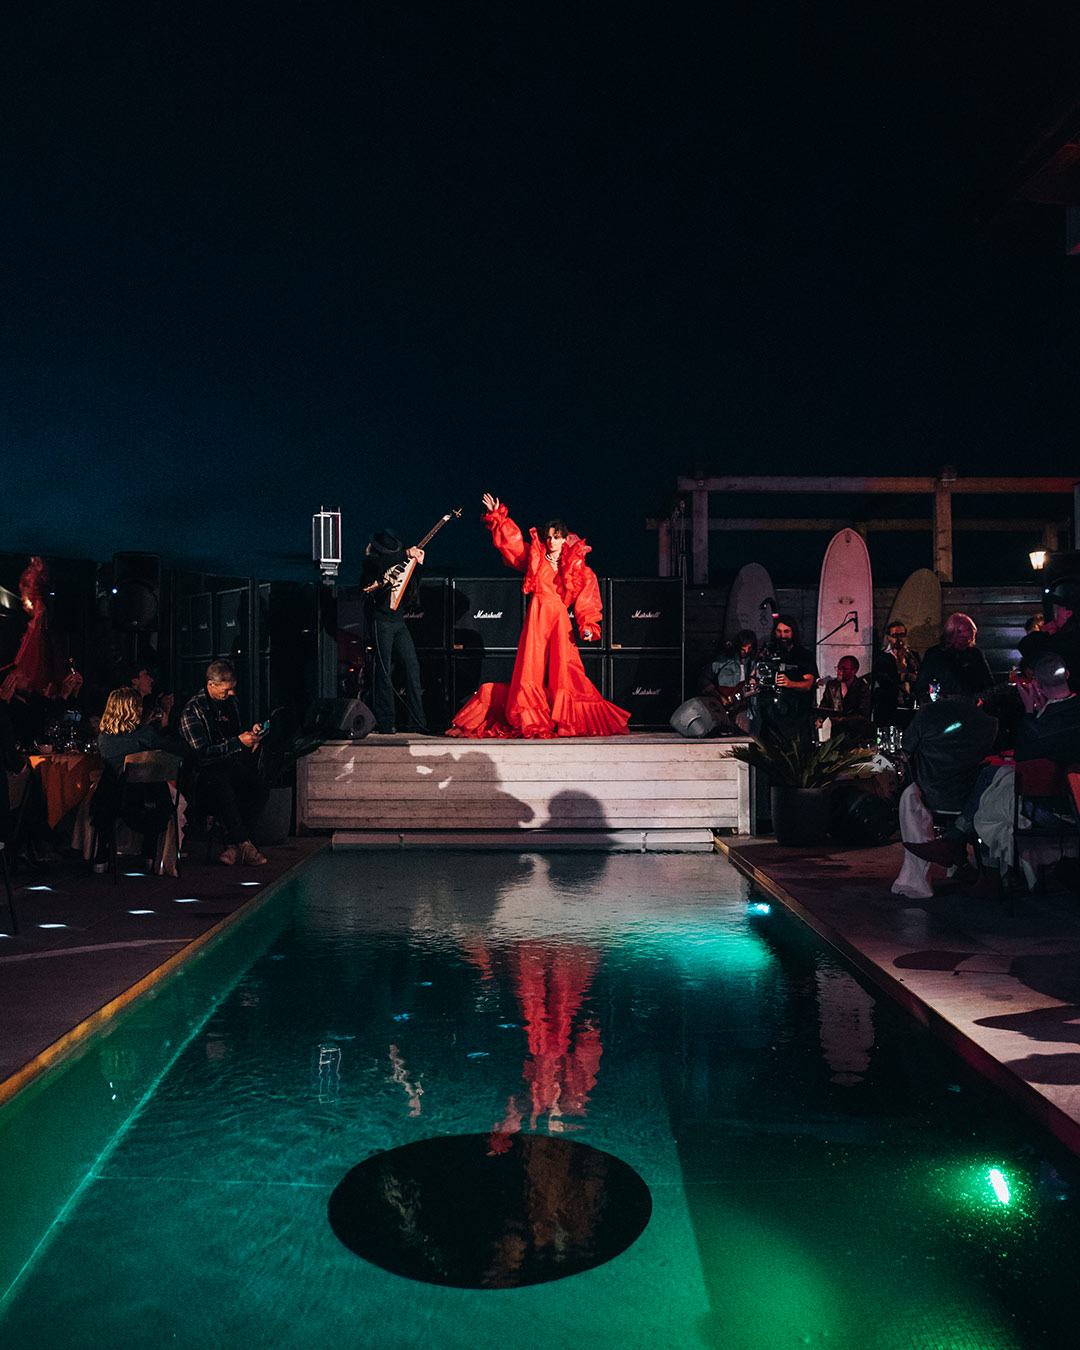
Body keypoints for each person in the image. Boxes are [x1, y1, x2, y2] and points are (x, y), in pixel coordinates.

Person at [448, 494, 630, 738]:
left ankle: (562, 717)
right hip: (537, 619)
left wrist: (588, 624)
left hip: (559, 621)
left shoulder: (577, 567)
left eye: (557, 537)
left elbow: (588, 597)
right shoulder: (535, 558)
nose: (552, 541)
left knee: (564, 670)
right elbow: (512, 546)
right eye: (549, 537)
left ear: (565, 538)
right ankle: (531, 715)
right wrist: (500, 518)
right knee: (531, 668)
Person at [179, 659, 269, 865]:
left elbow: (234, 733)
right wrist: (238, 742)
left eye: (232, 690)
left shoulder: (229, 704)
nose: (231, 694)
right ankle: (243, 844)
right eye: (227, 690)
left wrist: (249, 736)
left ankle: (233, 845)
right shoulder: (193, 710)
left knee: (260, 787)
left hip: (230, 766)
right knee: (222, 783)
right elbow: (202, 755)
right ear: (211, 684)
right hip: (203, 774)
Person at [92, 687, 184, 872]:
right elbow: (177, 749)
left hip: (113, 801)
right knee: (155, 783)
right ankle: (150, 854)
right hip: (147, 801)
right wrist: (162, 725)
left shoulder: (103, 738)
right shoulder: (146, 734)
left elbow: (124, 738)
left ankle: (101, 855)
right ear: (134, 709)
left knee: (106, 781)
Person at [359, 530, 429, 735]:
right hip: (380, 621)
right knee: (383, 672)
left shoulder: (399, 562)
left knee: (412, 667)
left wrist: (418, 565)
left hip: (398, 621)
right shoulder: (371, 564)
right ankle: (386, 721)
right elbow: (375, 572)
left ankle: (418, 722)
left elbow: (412, 586)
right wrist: (407, 553)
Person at [749, 615, 817, 748]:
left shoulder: (804, 655)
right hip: (770, 719)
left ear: (793, 633)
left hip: (795, 719)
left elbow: (808, 684)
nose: (782, 635)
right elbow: (753, 677)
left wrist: (790, 683)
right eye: (779, 632)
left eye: (786, 631)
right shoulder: (767, 653)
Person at [914, 613, 993, 704]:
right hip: (941, 710)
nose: (967, 641)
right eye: (963, 638)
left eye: (970, 638)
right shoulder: (934, 654)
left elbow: (988, 685)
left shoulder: (975, 654)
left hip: (970, 711)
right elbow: (921, 687)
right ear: (951, 636)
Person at [1019, 577, 1080, 693]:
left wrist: (1046, 633)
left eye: (1057, 610)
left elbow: (1025, 645)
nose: (1054, 614)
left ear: (1068, 614)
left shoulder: (1064, 640)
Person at [871, 621, 920, 727]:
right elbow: (883, 679)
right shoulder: (881, 657)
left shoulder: (912, 656)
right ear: (888, 637)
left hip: (910, 707)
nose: (899, 639)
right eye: (895, 636)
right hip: (888, 707)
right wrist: (903, 677)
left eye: (902, 635)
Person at [817, 655, 873, 744]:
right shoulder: (832, 686)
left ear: (853, 671)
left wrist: (843, 719)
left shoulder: (861, 687)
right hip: (837, 733)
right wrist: (820, 719)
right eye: (838, 668)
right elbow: (825, 705)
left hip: (857, 734)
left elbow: (864, 713)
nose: (839, 671)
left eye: (844, 669)